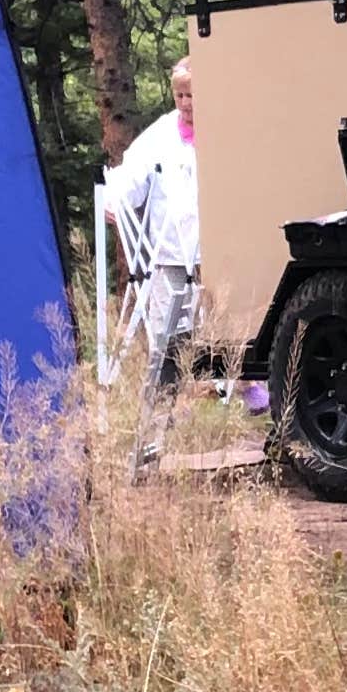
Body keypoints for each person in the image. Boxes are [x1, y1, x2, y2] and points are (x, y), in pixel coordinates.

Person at [95, 61, 203, 462]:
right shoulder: (160, 136)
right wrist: (115, 202)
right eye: (180, 95)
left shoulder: (227, 127)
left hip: (214, 255)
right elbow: (127, 181)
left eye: (193, 95)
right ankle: (162, 427)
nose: (187, 103)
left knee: (214, 340)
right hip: (171, 256)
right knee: (169, 343)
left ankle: (231, 407)